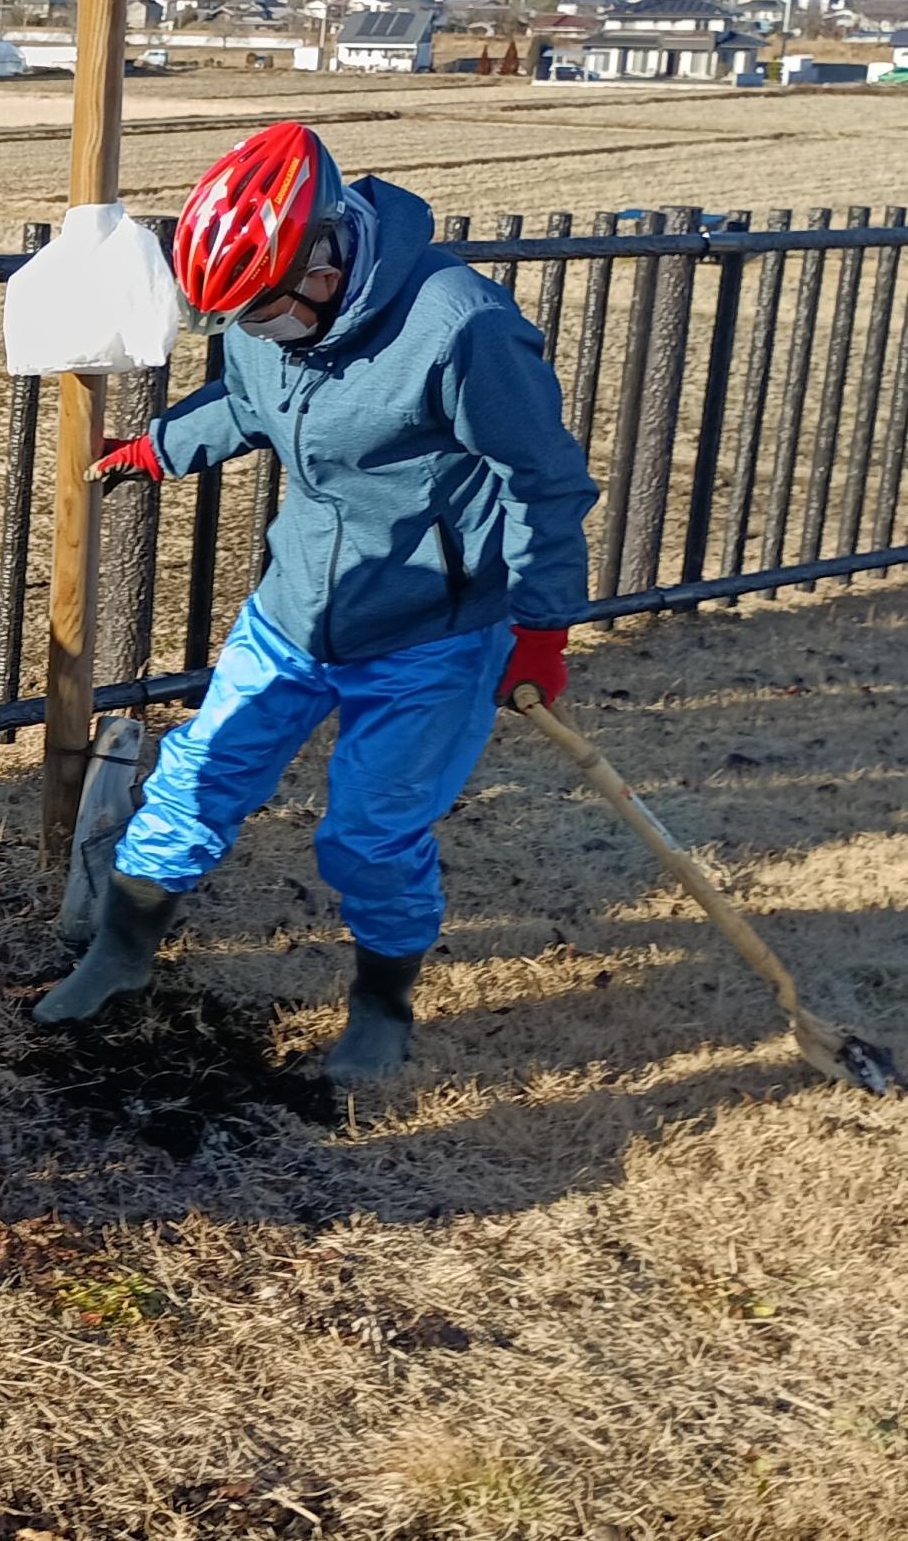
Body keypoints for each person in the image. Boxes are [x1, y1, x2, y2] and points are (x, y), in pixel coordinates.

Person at [36, 121, 598, 1083]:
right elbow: (249, 402)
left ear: (328, 259)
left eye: (264, 311)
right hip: (294, 608)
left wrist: (541, 628)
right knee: (193, 783)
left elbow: (542, 481)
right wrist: (163, 445)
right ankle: (121, 955)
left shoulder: (460, 327)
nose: (256, 333)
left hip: (432, 630)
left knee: (370, 834)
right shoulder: (272, 324)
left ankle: (382, 1006)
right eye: (238, 320)